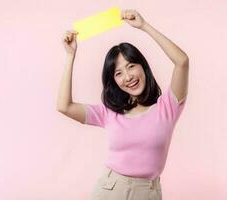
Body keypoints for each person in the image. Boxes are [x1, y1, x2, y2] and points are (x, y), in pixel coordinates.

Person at [57, 9, 189, 200]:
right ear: (114, 81)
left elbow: (182, 62)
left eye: (131, 66)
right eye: (118, 73)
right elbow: (64, 106)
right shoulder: (109, 113)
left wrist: (144, 26)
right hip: (109, 189)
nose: (128, 77)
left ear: (143, 66)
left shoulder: (167, 107)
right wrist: (70, 56)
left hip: (148, 193)